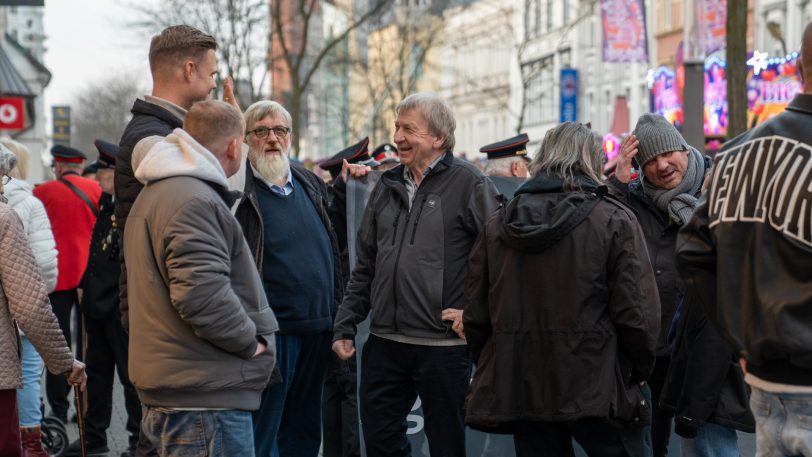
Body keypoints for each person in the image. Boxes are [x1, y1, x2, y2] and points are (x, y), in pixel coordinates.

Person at [462, 122, 659, 457]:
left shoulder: (498, 225)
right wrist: (637, 371)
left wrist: (503, 359)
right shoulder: (613, 221)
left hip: (524, 384)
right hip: (598, 384)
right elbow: (637, 315)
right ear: (592, 163)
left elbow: (477, 315)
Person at [332, 92, 500, 457]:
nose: (398, 137)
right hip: (384, 343)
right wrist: (346, 324)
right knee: (379, 440)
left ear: (439, 138)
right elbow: (366, 264)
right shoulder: (386, 186)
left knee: (446, 446)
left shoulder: (470, 183)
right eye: (397, 127)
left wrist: (475, 314)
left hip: (443, 347)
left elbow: (501, 259)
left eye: (410, 129)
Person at [676, 21, 812, 457]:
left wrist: (741, 338)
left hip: (767, 381)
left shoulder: (733, 154)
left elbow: (694, 250)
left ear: (799, 67)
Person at [123, 100, 278, 456]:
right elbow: (201, 296)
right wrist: (251, 344)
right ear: (235, 146)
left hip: (186, 391)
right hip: (205, 401)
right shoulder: (193, 199)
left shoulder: (163, 192)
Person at [234, 100, 343, 457]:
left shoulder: (309, 181)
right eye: (261, 131)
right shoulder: (240, 192)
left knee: (305, 431)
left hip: (317, 328)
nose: (272, 138)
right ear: (246, 138)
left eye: (279, 130)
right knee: (266, 431)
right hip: (273, 334)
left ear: (290, 137)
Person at [610, 113, 710, 457]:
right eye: (650, 160)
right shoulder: (631, 199)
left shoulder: (716, 188)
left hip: (699, 341)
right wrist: (617, 185)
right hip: (646, 342)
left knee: (702, 441)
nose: (662, 165)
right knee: (649, 440)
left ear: (683, 149)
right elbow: (602, 231)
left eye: (667, 154)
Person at [0, 146, 86, 457]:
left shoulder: (34, 199)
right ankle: (33, 444)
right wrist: (65, 362)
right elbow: (30, 301)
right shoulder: (8, 214)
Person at [63, 140, 142, 457]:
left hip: (118, 310)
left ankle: (138, 440)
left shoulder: (128, 208)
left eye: (104, 171)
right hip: (96, 308)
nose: (97, 178)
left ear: (118, 171)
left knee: (129, 378)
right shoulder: (107, 205)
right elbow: (97, 257)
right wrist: (84, 285)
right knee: (96, 376)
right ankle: (94, 436)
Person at [33, 144, 101, 423]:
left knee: (58, 349)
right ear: (81, 166)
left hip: (57, 278)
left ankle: (58, 412)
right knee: (90, 348)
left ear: (58, 166)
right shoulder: (97, 191)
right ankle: (85, 410)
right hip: (90, 280)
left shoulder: (42, 192)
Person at [1, 140, 58, 456]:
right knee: (27, 376)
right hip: (20, 315)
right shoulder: (25, 206)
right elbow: (45, 265)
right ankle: (31, 445)